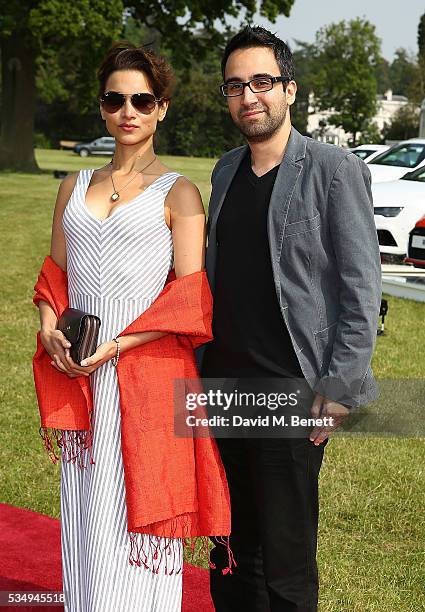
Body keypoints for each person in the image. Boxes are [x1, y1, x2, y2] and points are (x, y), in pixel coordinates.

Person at [33, 42, 231, 612]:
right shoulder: (72, 185)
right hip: (79, 375)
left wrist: (117, 346)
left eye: (142, 100)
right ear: (101, 107)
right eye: (115, 99)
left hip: (144, 378)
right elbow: (55, 275)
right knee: (85, 514)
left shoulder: (180, 194)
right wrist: (50, 329)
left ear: (162, 108)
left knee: (135, 524)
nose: (129, 110)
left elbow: (191, 299)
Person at [201, 26, 382, 612]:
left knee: (286, 566)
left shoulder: (333, 168)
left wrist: (338, 390)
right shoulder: (225, 171)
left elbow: (361, 288)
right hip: (222, 393)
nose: (248, 96)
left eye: (261, 81)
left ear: (289, 90)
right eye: (235, 85)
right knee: (230, 556)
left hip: (293, 393)